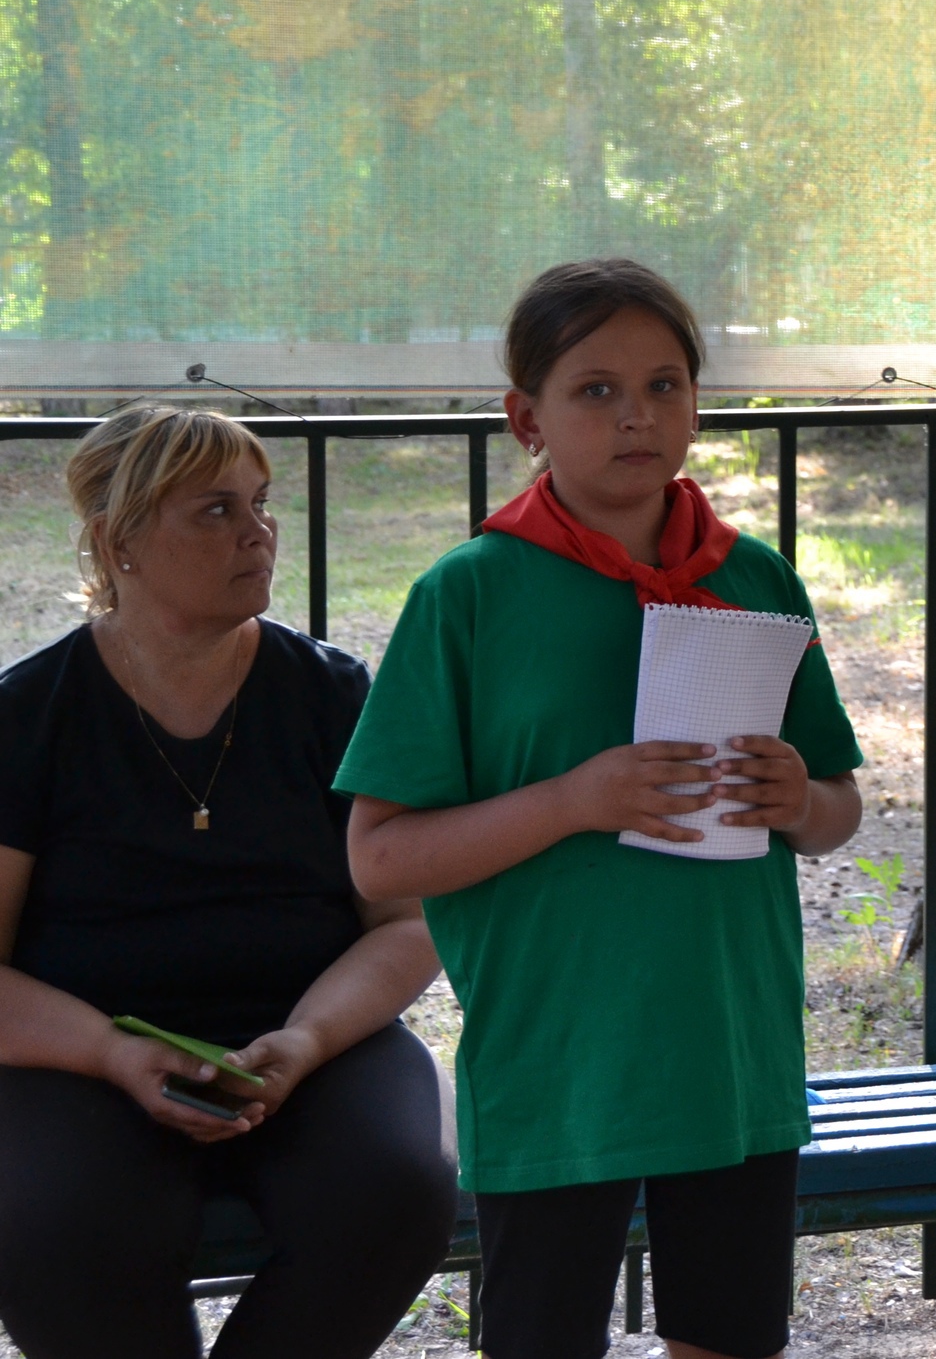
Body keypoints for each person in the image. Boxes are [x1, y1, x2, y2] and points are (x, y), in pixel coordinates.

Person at [338, 259, 865, 1359]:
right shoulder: (468, 595)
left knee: (730, 1336)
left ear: (697, 404)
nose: (637, 415)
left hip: (729, 1051)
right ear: (524, 419)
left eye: (665, 385)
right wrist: (574, 800)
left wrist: (796, 798)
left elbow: (837, 811)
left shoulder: (756, 578)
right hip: (556, 1059)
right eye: (596, 390)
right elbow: (381, 859)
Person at [0, 406, 456, 1359]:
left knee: (397, 1187)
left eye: (261, 503)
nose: (259, 532)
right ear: (118, 542)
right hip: (80, 1057)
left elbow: (406, 921)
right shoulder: (31, 714)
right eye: (216, 510)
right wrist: (111, 1052)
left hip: (306, 1038)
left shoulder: (330, 692)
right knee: (56, 1219)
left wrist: (306, 1038)